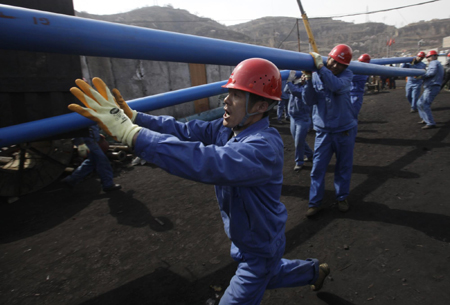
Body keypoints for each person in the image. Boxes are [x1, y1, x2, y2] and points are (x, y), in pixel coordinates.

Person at [67, 58, 330, 304]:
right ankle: (313, 271)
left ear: (261, 106)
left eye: (237, 95)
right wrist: (136, 118)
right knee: (271, 274)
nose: (226, 100)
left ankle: (306, 271)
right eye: (229, 92)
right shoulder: (228, 129)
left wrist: (132, 135)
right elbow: (185, 130)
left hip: (260, 246)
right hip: (251, 240)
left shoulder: (263, 148)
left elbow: (207, 161)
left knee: (255, 278)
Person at [302, 44, 357, 216]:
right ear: (329, 58)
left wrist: (320, 68)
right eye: (333, 61)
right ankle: (314, 203)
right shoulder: (318, 74)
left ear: (345, 66)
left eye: (339, 64)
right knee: (317, 168)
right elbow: (309, 101)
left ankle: (342, 197)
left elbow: (335, 86)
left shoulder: (347, 76)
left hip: (344, 130)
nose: (334, 66)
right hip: (324, 131)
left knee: (343, 166)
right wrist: (309, 81)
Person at [62, 124, 121, 192]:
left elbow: (90, 126)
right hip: (87, 140)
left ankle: (71, 180)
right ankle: (108, 184)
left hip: (91, 139)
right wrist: (80, 143)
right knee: (102, 160)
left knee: (92, 161)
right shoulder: (81, 114)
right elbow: (76, 126)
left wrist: (97, 136)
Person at [285, 74, 313, 171]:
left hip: (302, 119)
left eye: (305, 76)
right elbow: (286, 91)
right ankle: (310, 154)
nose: (302, 78)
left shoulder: (308, 88)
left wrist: (289, 81)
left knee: (298, 142)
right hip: (293, 118)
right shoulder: (296, 85)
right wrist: (292, 81)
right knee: (298, 140)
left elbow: (297, 92)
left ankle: (299, 162)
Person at [416, 50, 444, 129]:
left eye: (428, 57)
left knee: (425, 104)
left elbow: (431, 73)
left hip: (432, 86)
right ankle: (425, 119)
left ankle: (430, 122)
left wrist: (421, 76)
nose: (427, 59)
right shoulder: (438, 64)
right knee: (419, 103)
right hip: (432, 86)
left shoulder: (434, 62)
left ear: (433, 56)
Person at [350, 53, 371, 118]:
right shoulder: (361, 71)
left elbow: (350, 77)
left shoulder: (362, 73)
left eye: (360, 62)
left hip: (356, 95)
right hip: (350, 93)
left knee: (352, 114)